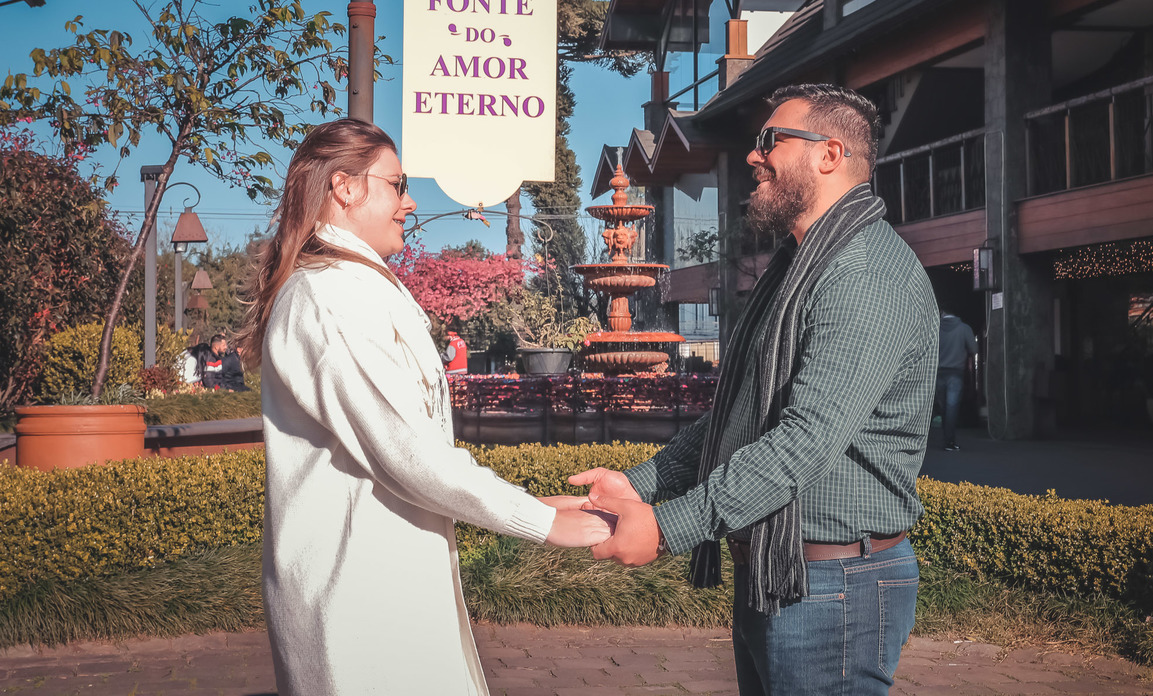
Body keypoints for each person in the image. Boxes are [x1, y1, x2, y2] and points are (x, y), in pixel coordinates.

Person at [567, 84, 939, 695]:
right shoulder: (801, 269)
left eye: (770, 140)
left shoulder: (864, 272)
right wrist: (638, 483)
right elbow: (739, 418)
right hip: (783, 573)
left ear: (829, 154)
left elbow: (803, 441)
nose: (751, 156)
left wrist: (666, 528)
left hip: (835, 586)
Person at [235, 118, 612, 696]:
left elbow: (400, 448)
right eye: (397, 183)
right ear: (344, 187)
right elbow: (404, 453)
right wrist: (541, 523)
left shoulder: (352, 286)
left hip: (384, 587)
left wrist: (533, 501)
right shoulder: (329, 296)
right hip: (360, 600)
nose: (410, 202)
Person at [934, 308, 978, 451]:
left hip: (938, 372)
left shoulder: (935, 329)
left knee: (943, 407)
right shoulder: (964, 328)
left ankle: (946, 438)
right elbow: (974, 349)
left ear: (943, 313)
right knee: (952, 407)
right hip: (956, 372)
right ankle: (949, 441)